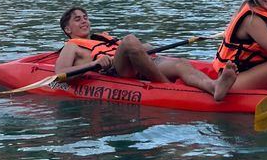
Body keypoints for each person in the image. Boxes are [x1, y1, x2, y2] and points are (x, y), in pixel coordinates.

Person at [56, 6, 238, 102]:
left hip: (136, 65)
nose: (84, 21)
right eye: (77, 19)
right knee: (129, 40)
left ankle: (214, 87)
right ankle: (167, 87)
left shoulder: (102, 38)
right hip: (115, 72)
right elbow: (60, 73)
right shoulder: (71, 47)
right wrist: (96, 63)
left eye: (85, 17)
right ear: (67, 28)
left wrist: (142, 48)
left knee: (181, 63)